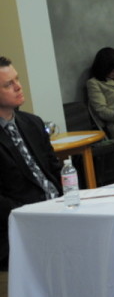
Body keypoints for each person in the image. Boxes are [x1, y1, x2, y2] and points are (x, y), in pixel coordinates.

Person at [0, 56, 62, 263]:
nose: (19, 87)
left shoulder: (32, 123)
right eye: (9, 84)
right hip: (20, 222)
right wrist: (32, 212)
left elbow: (55, 169)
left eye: (17, 80)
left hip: (59, 210)